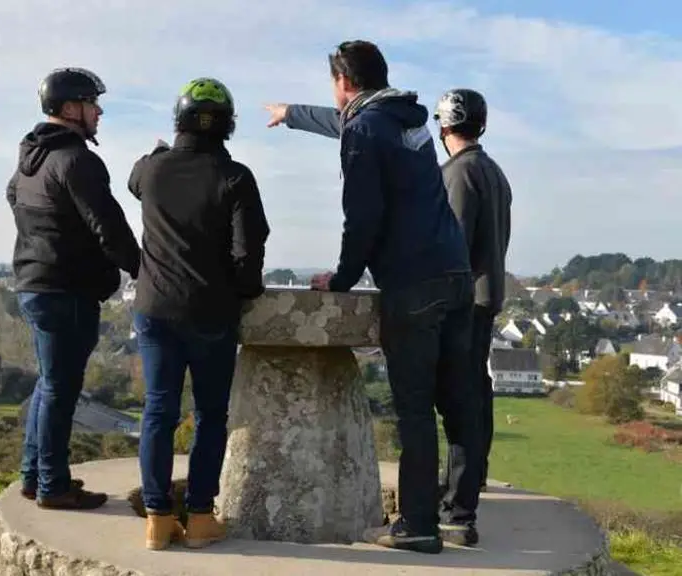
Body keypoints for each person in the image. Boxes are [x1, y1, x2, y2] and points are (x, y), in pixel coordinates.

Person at [264, 40, 482, 553]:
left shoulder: (364, 129)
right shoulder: (409, 120)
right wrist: (293, 114)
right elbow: (351, 122)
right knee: (458, 404)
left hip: (413, 282)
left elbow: (362, 215)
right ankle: (458, 517)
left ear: (343, 82)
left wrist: (341, 278)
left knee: (414, 410)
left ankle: (419, 527)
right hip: (455, 273)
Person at [127, 77, 270, 550]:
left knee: (158, 411)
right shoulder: (236, 178)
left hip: (155, 309)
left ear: (179, 120)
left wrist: (160, 153)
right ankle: (202, 516)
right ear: (227, 125)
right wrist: (242, 291)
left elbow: (133, 180)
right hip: (211, 310)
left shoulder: (150, 170)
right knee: (211, 414)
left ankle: (157, 518)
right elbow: (248, 253)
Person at [7, 67, 141, 510]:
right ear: (69, 108)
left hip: (34, 283)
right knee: (61, 390)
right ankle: (52, 486)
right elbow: (110, 227)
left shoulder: (31, 158)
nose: (99, 111)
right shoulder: (77, 160)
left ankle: (34, 477)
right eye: (91, 102)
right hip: (67, 289)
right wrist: (144, 269)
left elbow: (15, 196)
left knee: (49, 385)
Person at [433, 89, 513, 496]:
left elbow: (454, 246)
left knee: (459, 395)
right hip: (488, 293)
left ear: (444, 125)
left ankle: (458, 486)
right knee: (478, 391)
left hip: (464, 301)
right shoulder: (494, 171)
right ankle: (474, 475)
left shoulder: (458, 173)